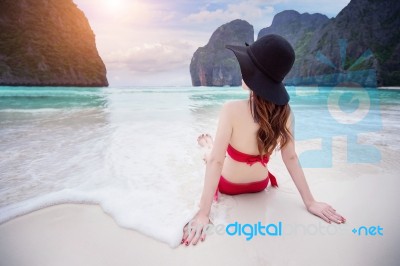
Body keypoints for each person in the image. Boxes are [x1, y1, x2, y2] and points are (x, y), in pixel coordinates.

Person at [181, 34, 346, 246]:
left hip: (229, 185)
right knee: (218, 155)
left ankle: (208, 145)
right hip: (261, 184)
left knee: (211, 156)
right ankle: (210, 145)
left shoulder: (231, 109)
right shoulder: (285, 113)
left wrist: (203, 213)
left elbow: (217, 162)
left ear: (254, 75)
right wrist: (310, 202)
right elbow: (291, 157)